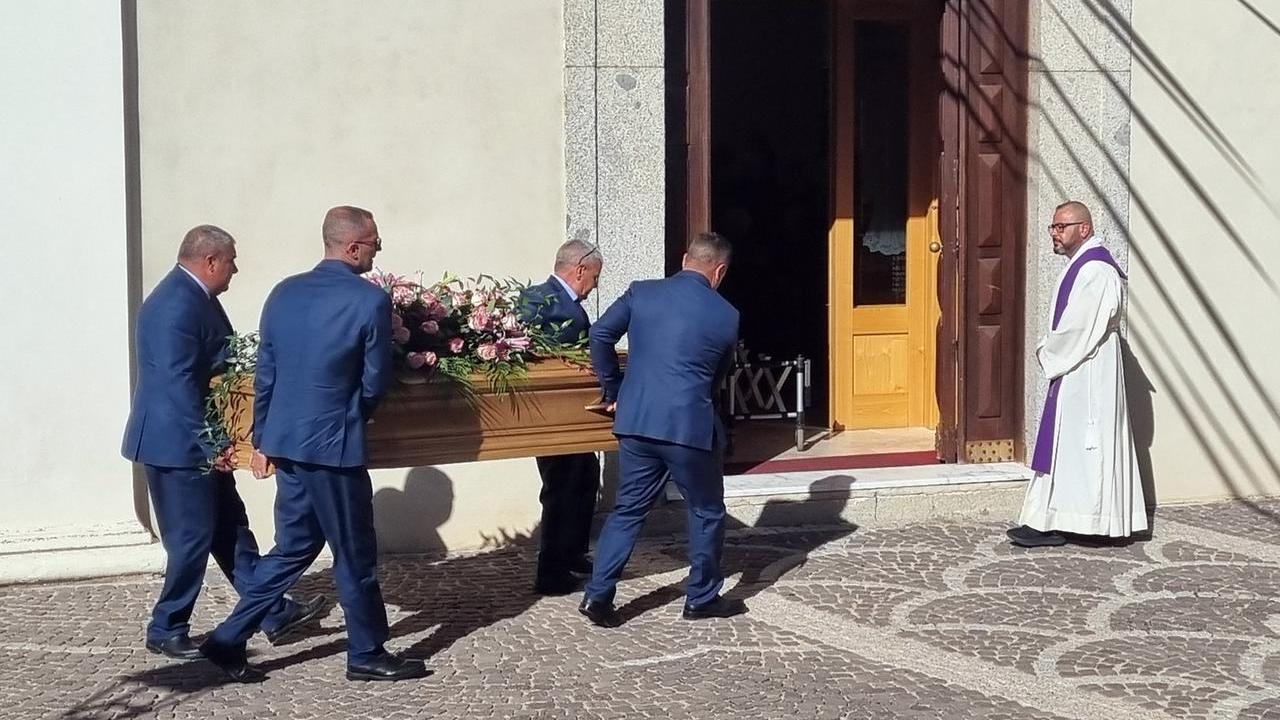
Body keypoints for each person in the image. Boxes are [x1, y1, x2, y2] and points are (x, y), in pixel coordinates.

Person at [199, 206, 427, 683]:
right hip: (334, 447)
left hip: (288, 442)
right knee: (354, 552)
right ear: (351, 248)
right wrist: (353, 418)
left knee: (294, 548)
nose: (378, 249)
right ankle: (366, 653)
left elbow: (267, 372)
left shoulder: (284, 293)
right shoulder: (368, 301)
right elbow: (374, 381)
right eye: (374, 242)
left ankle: (226, 638)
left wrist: (263, 436)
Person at [121, 225, 323, 660]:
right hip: (178, 446)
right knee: (191, 540)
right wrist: (211, 445)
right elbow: (178, 386)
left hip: (196, 441)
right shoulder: (176, 304)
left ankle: (270, 611)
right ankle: (167, 626)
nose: (236, 268)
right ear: (210, 261)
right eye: (231, 260)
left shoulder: (195, 298)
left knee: (231, 530)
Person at [579, 231, 746, 628]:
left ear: (685, 258)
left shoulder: (642, 292)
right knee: (706, 511)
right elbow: (718, 378)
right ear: (719, 270)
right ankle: (701, 598)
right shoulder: (726, 315)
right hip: (689, 426)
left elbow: (599, 334)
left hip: (636, 420)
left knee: (628, 509)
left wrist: (613, 387)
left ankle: (598, 595)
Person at [1008, 201, 1148, 547]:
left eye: (1061, 227)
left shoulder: (1097, 271)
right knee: (1064, 444)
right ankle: (1050, 518)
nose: (1054, 234)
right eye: (1053, 227)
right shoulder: (1080, 266)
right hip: (1077, 365)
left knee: (1086, 443)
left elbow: (1080, 326)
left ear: (1083, 228)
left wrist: (1047, 350)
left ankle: (1092, 521)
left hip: (1089, 369)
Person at [518, 240, 605, 595]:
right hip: (554, 416)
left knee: (586, 476)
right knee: (561, 488)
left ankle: (572, 552)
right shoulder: (546, 302)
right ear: (580, 269)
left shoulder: (544, 297)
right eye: (595, 277)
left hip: (572, 416)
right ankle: (550, 571)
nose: (595, 285)